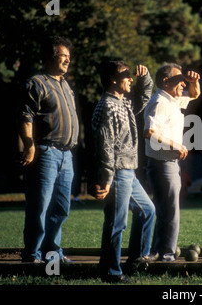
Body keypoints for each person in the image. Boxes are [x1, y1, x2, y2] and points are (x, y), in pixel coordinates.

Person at [91, 61, 156, 283]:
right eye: (125, 75)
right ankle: (111, 272)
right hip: (118, 171)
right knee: (117, 223)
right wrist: (107, 178)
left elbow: (143, 98)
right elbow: (105, 145)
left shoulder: (122, 102)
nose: (130, 78)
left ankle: (137, 260)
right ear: (112, 79)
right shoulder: (108, 106)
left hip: (129, 170)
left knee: (147, 210)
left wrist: (144, 77)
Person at [18, 36, 78, 263]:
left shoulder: (64, 84)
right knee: (39, 205)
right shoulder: (36, 83)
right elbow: (25, 116)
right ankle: (32, 255)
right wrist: (29, 146)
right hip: (45, 153)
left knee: (61, 207)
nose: (68, 60)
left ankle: (52, 254)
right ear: (51, 57)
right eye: (63, 56)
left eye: (69, 57)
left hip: (66, 155)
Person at [143, 63, 200, 261]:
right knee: (170, 210)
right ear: (165, 81)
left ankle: (160, 250)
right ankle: (166, 254)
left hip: (168, 164)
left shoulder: (172, 101)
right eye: (179, 79)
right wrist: (175, 145)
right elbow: (149, 132)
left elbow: (194, 95)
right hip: (162, 164)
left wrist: (194, 80)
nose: (183, 84)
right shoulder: (160, 101)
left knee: (167, 209)